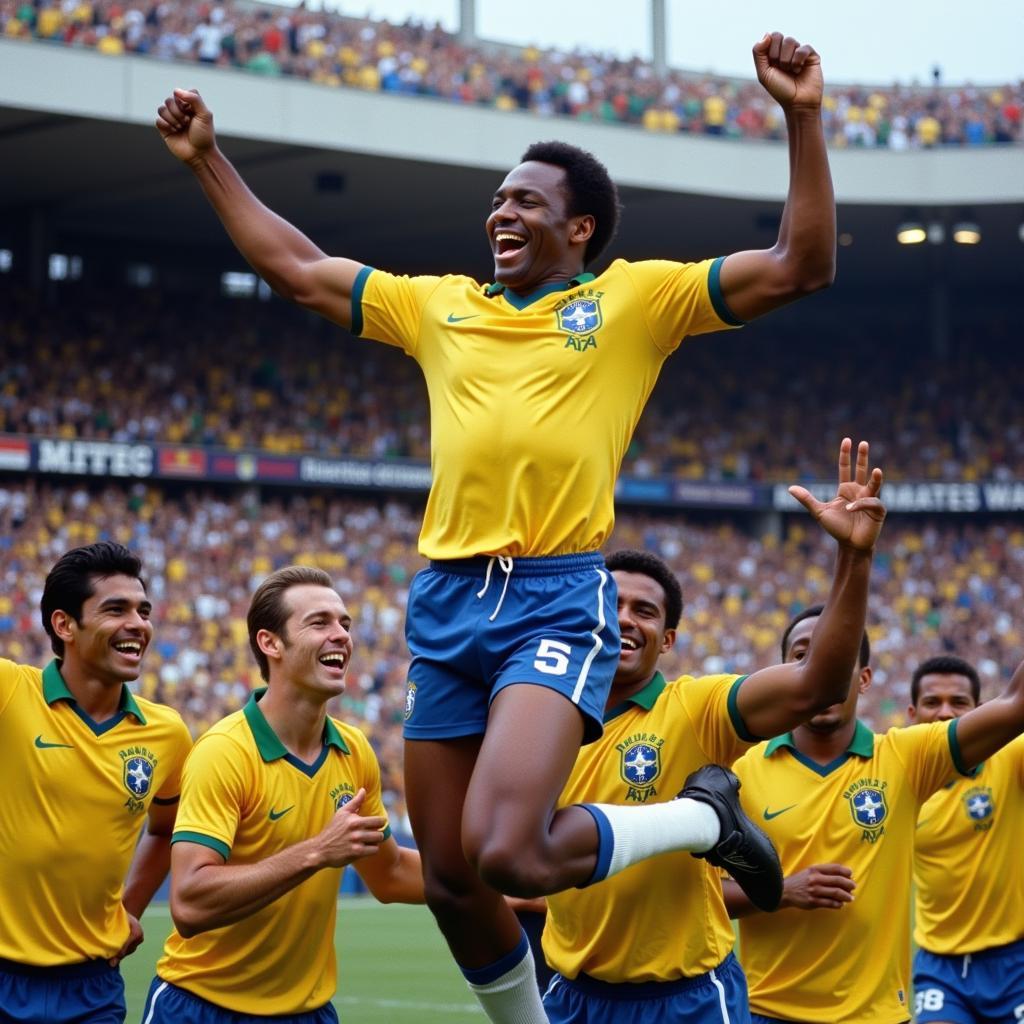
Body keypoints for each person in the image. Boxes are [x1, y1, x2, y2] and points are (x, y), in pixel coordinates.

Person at [157, 30, 837, 1023]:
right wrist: (209, 160)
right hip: (443, 599)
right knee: (449, 877)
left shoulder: (633, 300)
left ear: (580, 227)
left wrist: (802, 116)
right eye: (497, 198)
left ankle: (699, 817)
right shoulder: (440, 307)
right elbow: (300, 268)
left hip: (552, 593)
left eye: (525, 200)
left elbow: (800, 265)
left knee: (509, 849)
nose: (500, 211)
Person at [506, 437, 887, 1023]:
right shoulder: (538, 720)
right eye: (611, 603)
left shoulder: (697, 708)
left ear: (670, 640)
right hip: (572, 995)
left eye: (646, 611)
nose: (625, 618)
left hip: (686, 999)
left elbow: (818, 684)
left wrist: (853, 559)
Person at [141, 565, 424, 1023]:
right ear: (270, 643)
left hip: (307, 1012)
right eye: (320, 623)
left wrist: (497, 887)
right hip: (201, 1008)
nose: (341, 636)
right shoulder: (225, 752)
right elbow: (190, 902)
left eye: (345, 624)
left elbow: (389, 873)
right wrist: (316, 852)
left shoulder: (354, 751)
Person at [724, 608, 1024, 1024]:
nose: (822, 671)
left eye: (837, 659)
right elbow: (695, 898)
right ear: (783, 674)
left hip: (877, 1014)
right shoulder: (738, 772)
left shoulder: (906, 759)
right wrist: (780, 890)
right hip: (767, 1012)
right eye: (803, 658)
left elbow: (1015, 705)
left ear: (863, 678)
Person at [0, 542, 191, 1024]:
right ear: (64, 625)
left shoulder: (166, 732)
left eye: (143, 610)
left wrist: (130, 909)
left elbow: (166, 830)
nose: (138, 624)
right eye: (116, 609)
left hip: (93, 985)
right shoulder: (10, 693)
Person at [907, 655, 1024, 1024]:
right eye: (932, 702)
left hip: (1016, 962)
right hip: (940, 966)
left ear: (983, 712)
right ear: (912, 713)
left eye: (958, 703)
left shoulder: (1009, 759)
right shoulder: (897, 784)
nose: (944, 713)